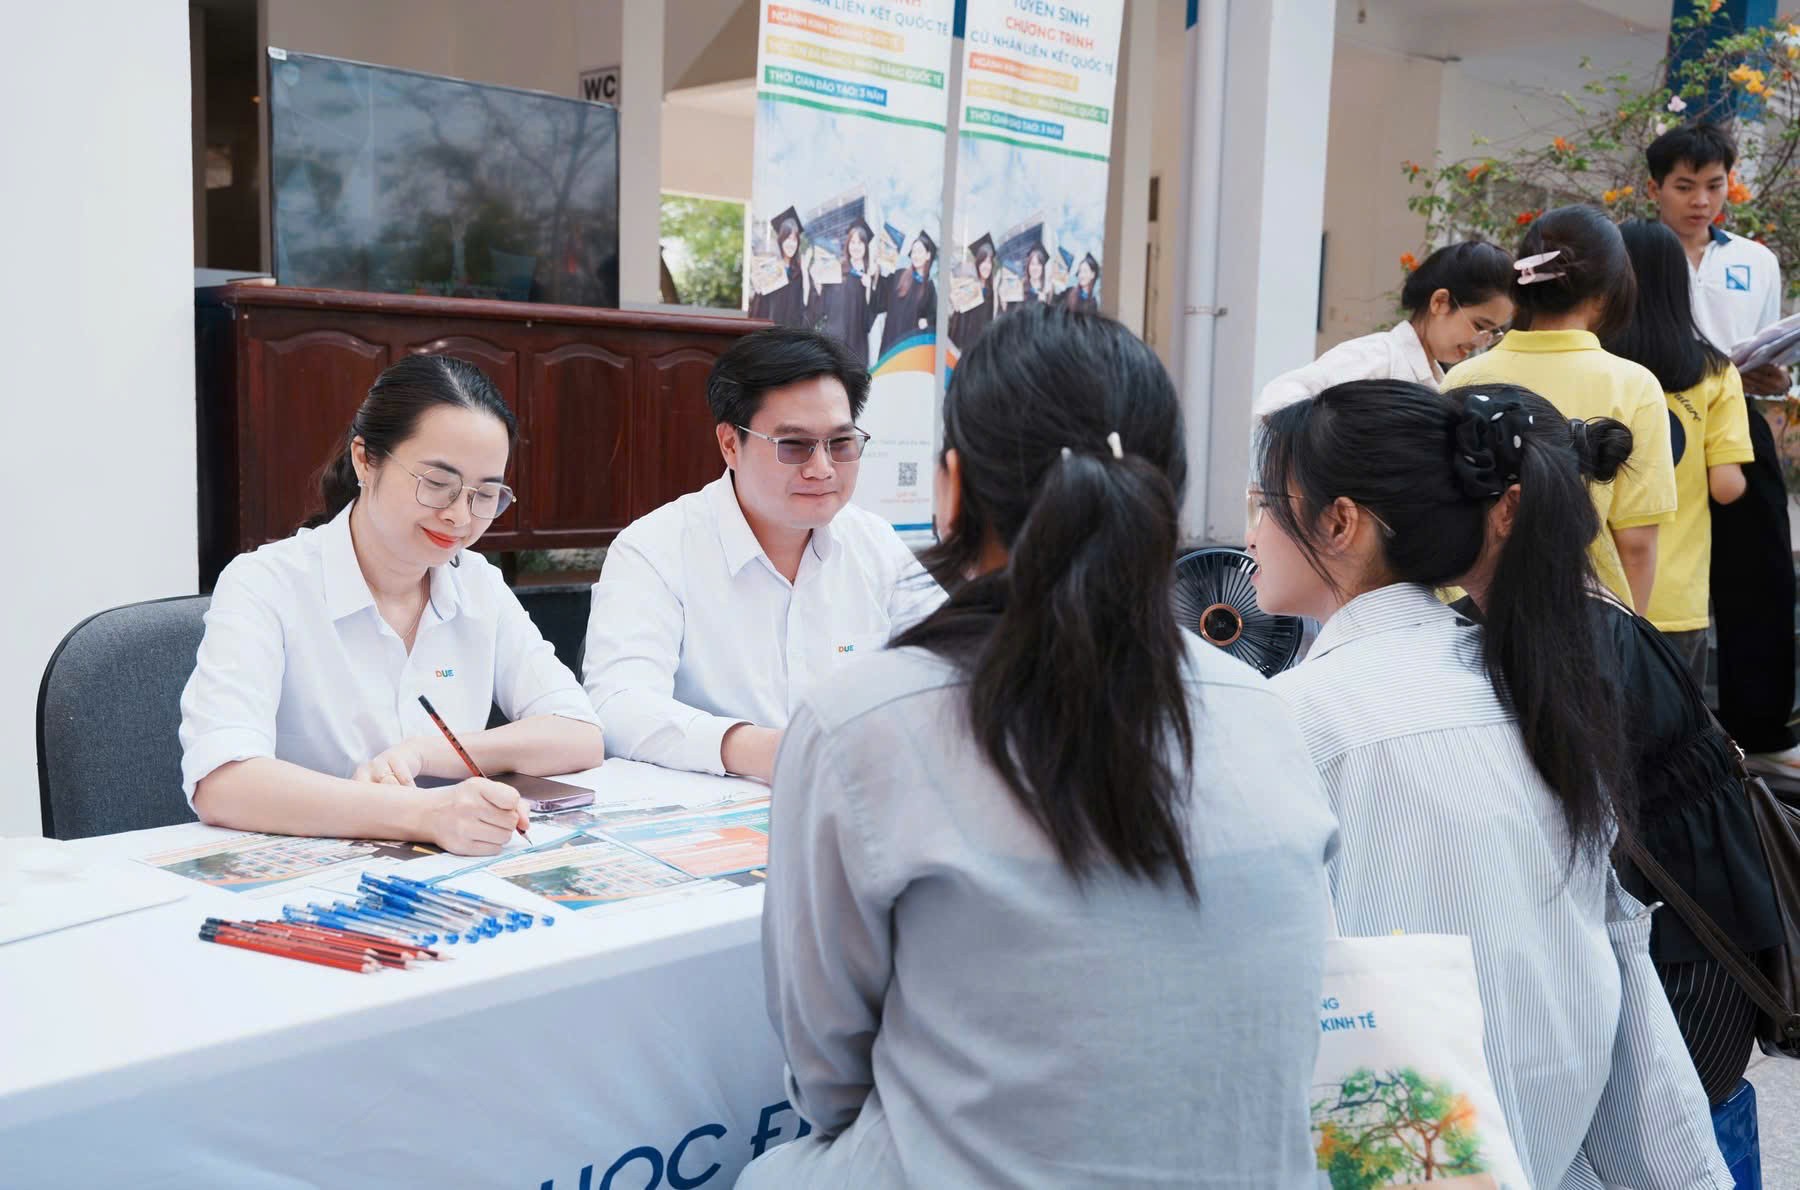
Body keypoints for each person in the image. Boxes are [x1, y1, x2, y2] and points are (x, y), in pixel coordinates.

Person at [737, 304, 1337, 1189]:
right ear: (1164, 494)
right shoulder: (1264, 711)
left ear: (952, 488)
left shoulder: (863, 723)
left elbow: (827, 1075)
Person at [1249, 379, 1731, 1189]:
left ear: (1340, 523)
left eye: (1266, 504)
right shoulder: (1529, 687)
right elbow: (1615, 992)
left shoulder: (1294, 719)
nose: (1251, 533)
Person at [179, 355, 606, 855]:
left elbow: (579, 734)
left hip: (447, 868)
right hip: (307, 872)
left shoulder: (478, 585)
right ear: (365, 459)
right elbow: (222, 781)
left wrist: (426, 753)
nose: (459, 517)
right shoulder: (267, 583)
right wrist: (426, 815)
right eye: (437, 484)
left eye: (485, 495)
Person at [582, 327, 940, 781]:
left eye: (841, 444)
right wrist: (770, 751)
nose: (822, 469)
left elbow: (955, 663)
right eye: (794, 446)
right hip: (715, 810)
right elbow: (617, 705)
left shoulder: (875, 542)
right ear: (731, 444)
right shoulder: (654, 550)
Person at [1646, 122, 1800, 779]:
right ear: (1654, 189)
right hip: (1660, 424)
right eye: (1685, 186)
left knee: (1761, 573)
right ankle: (1651, 729)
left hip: (1737, 422)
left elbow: (1766, 348)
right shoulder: (1632, 256)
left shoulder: (1755, 261)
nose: (1701, 201)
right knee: (1654, 568)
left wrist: (1773, 379)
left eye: (1714, 185)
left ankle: (1759, 728)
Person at [1444, 205, 1676, 614]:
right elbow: (1637, 544)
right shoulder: (1633, 385)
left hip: (1468, 614)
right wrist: (1630, 636)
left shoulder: (1462, 378)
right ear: (1606, 294)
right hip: (1586, 618)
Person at [1606, 217, 1752, 683]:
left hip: (1593, 593)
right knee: (1673, 727)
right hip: (1676, 599)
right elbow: (1726, 487)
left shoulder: (1597, 363)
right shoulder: (1716, 372)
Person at [1255, 239, 1513, 418]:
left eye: (1493, 333)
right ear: (1440, 302)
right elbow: (1276, 401)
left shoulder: (1440, 383)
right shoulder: (1376, 358)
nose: (1482, 341)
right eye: (1480, 325)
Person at [804, 217, 878, 366]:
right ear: (848, 245)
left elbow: (868, 320)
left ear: (866, 246)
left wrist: (869, 287)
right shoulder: (837, 271)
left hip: (858, 344)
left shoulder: (869, 275)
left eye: (860, 243)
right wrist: (818, 286)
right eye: (853, 242)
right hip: (837, 341)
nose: (856, 247)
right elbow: (823, 308)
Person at [873, 229, 937, 360]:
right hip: (891, 339)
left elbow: (934, 315)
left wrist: (927, 321)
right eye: (913, 251)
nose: (916, 255)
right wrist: (876, 272)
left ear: (928, 255)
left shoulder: (929, 287)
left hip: (910, 346)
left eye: (920, 251)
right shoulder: (900, 275)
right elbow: (882, 295)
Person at [749, 207, 813, 328]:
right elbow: (761, 306)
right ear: (781, 240)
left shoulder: (799, 272)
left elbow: (806, 304)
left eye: (794, 240)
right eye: (787, 239)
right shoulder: (771, 268)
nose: (791, 244)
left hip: (791, 331)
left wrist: (805, 274)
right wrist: (758, 288)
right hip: (771, 331)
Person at [945, 232, 1000, 355]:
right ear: (978, 263)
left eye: (989, 262)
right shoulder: (968, 284)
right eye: (983, 261)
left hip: (982, 347)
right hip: (963, 345)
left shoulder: (992, 290)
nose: (986, 266)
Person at [1007, 240, 1053, 310]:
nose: (1035, 268)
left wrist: (1045, 302)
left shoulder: (1048, 289)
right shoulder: (1020, 286)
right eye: (1032, 264)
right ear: (1028, 266)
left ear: (1043, 267)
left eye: (1038, 264)